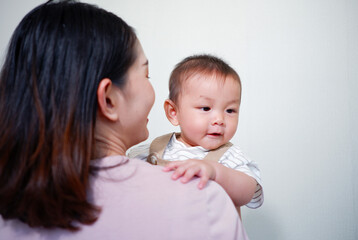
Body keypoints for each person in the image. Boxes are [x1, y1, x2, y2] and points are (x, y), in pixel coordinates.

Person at [0, 1, 248, 239]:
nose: (218, 120)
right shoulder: (204, 201)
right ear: (109, 100)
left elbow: (250, 187)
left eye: (230, 110)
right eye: (146, 74)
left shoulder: (10, 205)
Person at [129, 55, 264, 212]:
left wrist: (215, 172)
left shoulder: (230, 157)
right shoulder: (153, 150)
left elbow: (248, 194)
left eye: (230, 110)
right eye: (206, 108)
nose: (220, 119)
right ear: (173, 112)